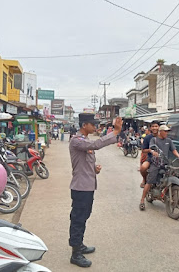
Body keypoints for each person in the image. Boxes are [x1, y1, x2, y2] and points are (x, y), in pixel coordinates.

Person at [68, 113, 123, 267]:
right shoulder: (76, 140)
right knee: (78, 219)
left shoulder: (84, 141)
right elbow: (97, 144)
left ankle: (79, 244)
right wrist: (115, 132)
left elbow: (84, 163)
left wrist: (94, 169)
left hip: (88, 187)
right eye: (93, 124)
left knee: (84, 217)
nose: (96, 127)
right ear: (84, 125)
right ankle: (75, 253)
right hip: (80, 188)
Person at [139, 124, 179, 211]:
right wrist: (152, 152)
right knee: (150, 181)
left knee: (172, 176)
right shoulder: (154, 139)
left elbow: (174, 150)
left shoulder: (169, 141)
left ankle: (171, 198)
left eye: (168, 131)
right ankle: (142, 201)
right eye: (166, 131)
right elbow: (151, 147)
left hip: (165, 163)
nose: (167, 133)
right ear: (161, 132)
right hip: (155, 163)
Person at [139, 121, 160, 188]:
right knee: (143, 168)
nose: (154, 128)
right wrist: (151, 151)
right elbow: (144, 150)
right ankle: (145, 180)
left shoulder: (162, 136)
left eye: (156, 126)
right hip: (151, 158)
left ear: (159, 127)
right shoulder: (147, 138)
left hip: (162, 158)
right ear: (150, 128)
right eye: (153, 126)